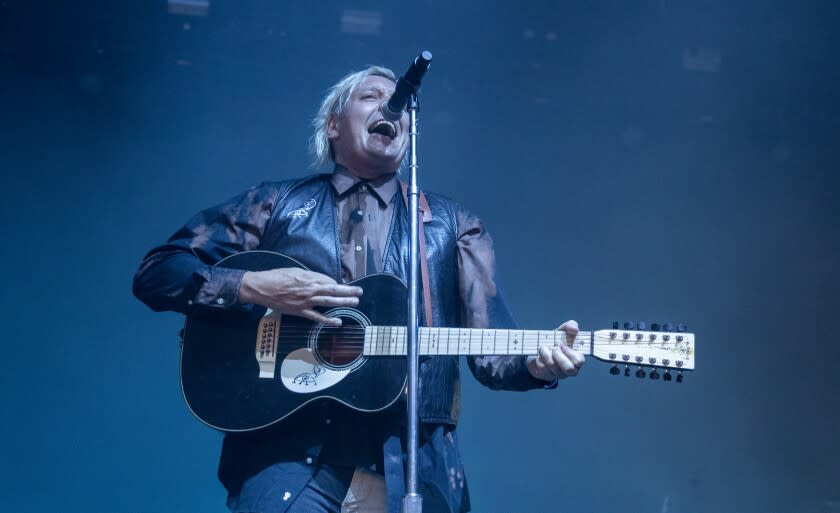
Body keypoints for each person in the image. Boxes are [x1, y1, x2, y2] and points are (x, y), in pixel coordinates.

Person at [133, 65, 585, 513]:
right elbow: (159, 271)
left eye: (401, 105)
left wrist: (539, 366)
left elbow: (495, 355)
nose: (392, 107)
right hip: (290, 456)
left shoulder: (451, 224)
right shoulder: (276, 205)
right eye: (370, 96)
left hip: (411, 463)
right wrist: (254, 286)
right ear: (333, 124)